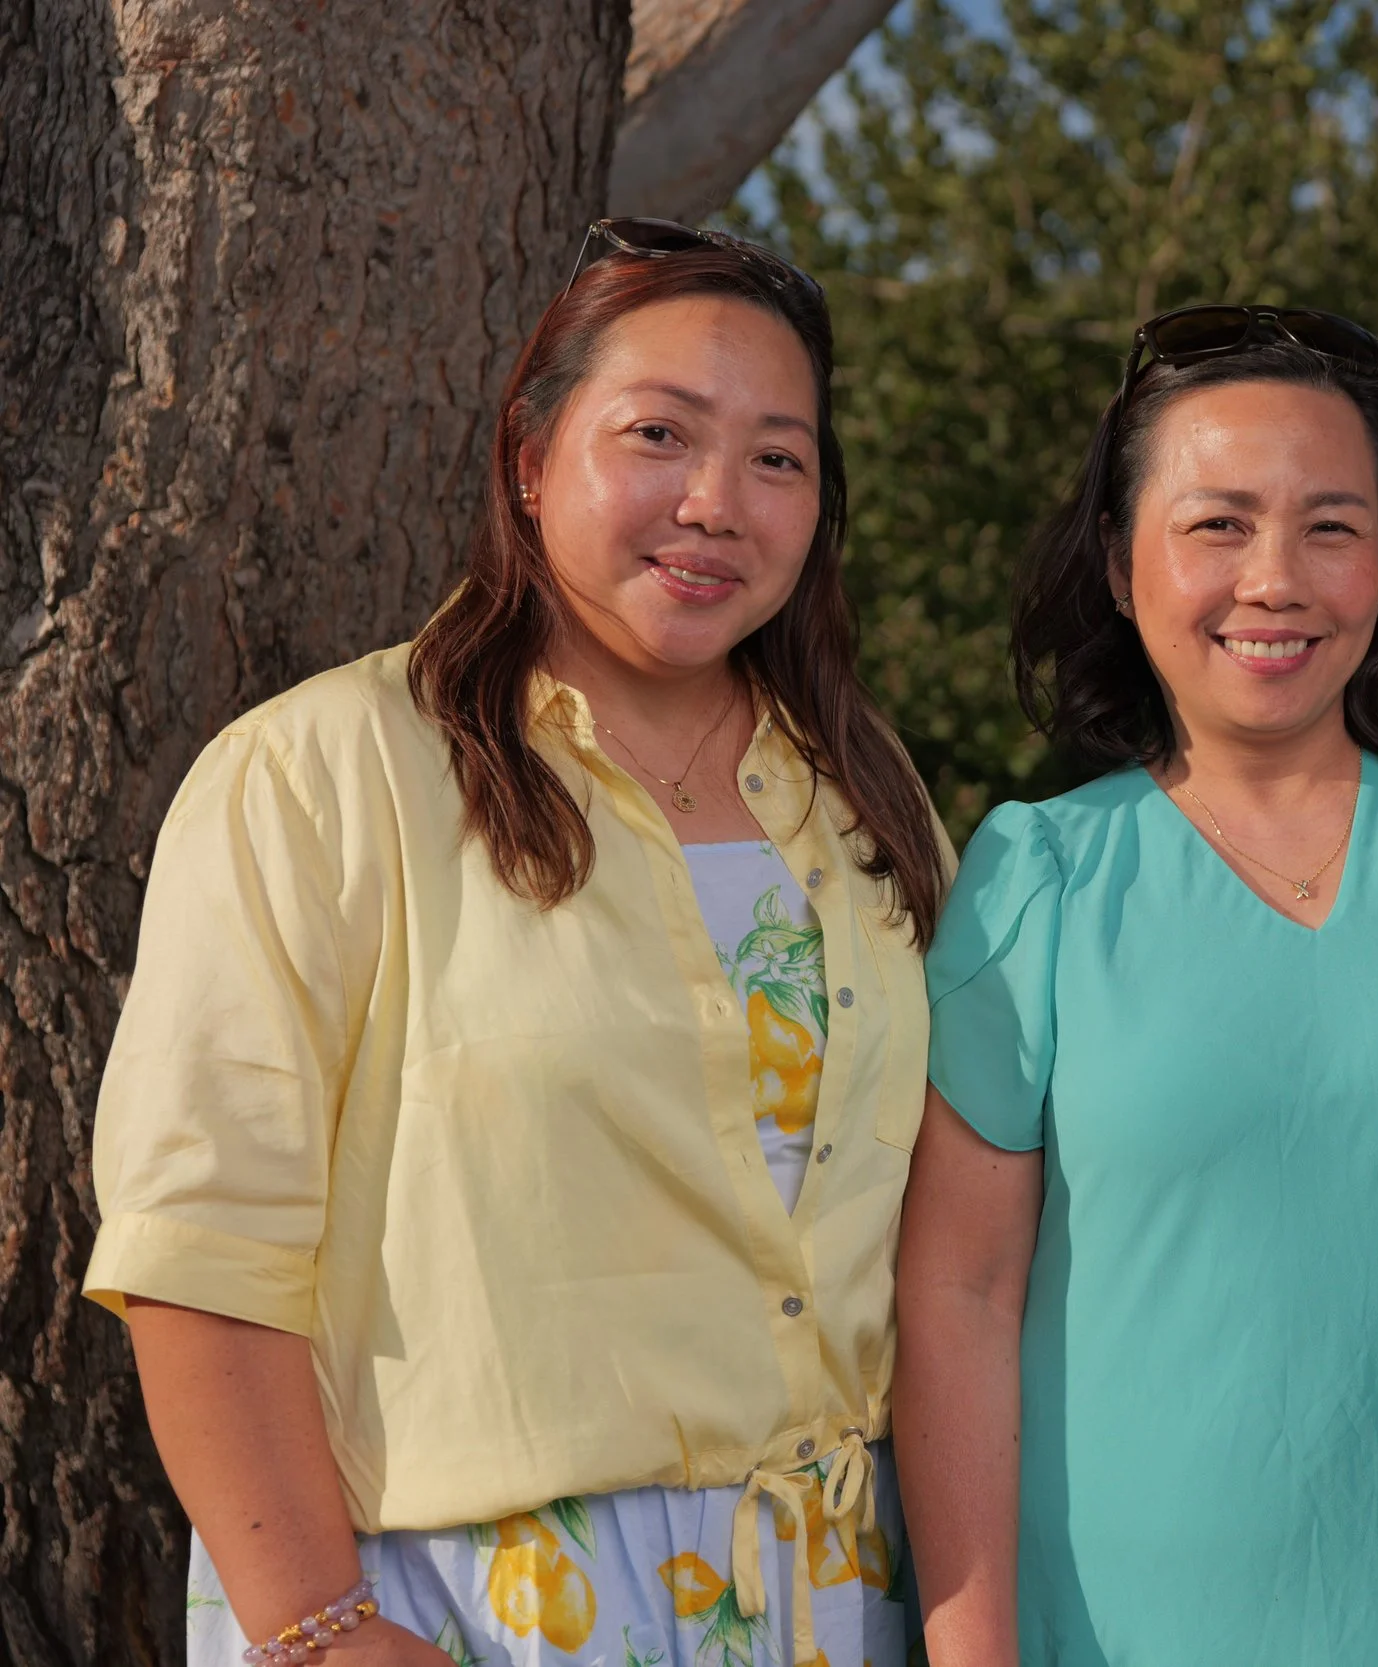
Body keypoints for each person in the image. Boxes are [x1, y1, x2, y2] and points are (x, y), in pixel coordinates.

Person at [85, 220, 949, 1667]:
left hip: (834, 1589)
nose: (717, 501)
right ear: (532, 460)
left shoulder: (865, 797)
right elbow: (200, 1245)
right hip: (450, 1608)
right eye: (659, 433)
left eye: (778, 457)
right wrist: (320, 1626)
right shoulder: (323, 773)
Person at [894, 306, 1378, 1667]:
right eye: (1217, 524)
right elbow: (959, 1293)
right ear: (1123, 562)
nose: (1278, 579)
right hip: (1123, 1627)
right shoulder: (1038, 882)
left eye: (1332, 524)